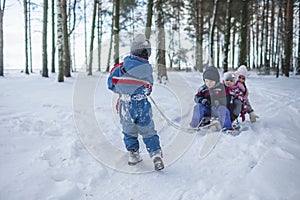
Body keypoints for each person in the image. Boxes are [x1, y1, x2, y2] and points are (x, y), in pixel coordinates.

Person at [107, 34, 164, 171]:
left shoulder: (120, 67)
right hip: (142, 105)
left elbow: (110, 84)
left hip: (125, 105)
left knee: (129, 131)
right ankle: (155, 154)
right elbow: (148, 89)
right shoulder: (147, 69)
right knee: (148, 130)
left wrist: (124, 88)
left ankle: (133, 154)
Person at [190, 66, 234, 133]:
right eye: (206, 81)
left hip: (218, 108)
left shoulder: (222, 88)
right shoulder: (203, 89)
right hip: (207, 109)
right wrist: (202, 100)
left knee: (223, 110)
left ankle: (227, 128)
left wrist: (219, 102)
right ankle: (194, 125)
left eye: (211, 81)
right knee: (198, 107)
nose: (209, 83)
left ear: (216, 80)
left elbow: (227, 98)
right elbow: (196, 97)